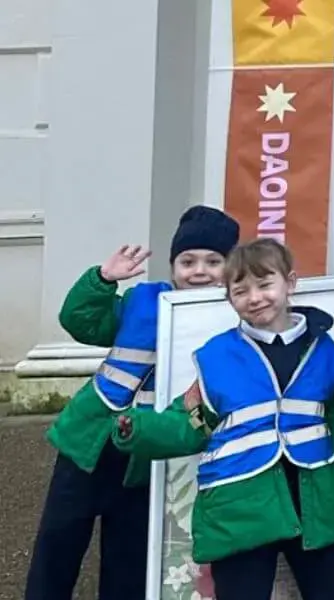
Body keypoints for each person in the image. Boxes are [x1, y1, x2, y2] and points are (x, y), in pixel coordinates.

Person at [113, 239, 334, 599]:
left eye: (264, 285)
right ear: (229, 299)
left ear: (289, 283)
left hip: (315, 503)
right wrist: (136, 428)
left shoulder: (324, 350)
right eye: (241, 290)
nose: (255, 297)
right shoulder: (216, 356)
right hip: (238, 507)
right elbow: (190, 422)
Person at [26, 205, 239, 600]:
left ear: (231, 267)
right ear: (173, 265)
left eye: (213, 261)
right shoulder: (143, 299)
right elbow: (80, 321)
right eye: (187, 261)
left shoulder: (232, 317)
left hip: (146, 454)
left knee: (129, 557)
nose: (199, 271)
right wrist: (103, 280)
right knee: (59, 542)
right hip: (88, 441)